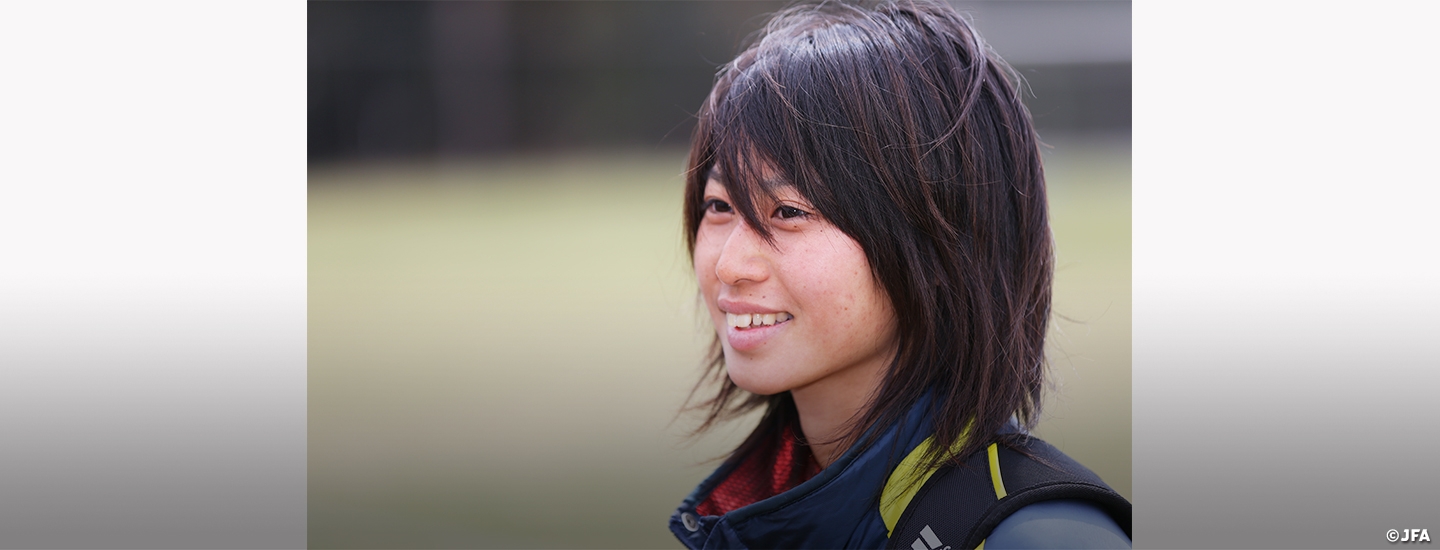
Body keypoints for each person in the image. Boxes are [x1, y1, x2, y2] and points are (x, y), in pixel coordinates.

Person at [668, 1, 1131, 548]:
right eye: (719, 206)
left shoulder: (1040, 537)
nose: (728, 266)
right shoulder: (769, 509)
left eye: (788, 211)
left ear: (941, 236)